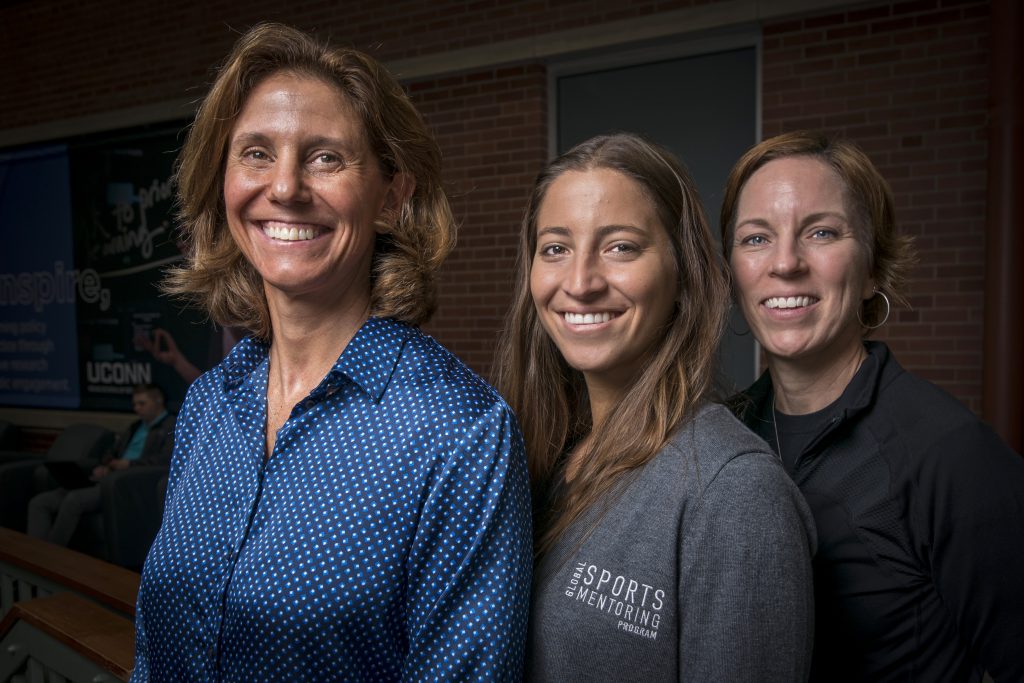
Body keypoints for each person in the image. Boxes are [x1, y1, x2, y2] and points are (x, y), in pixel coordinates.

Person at [131, 23, 532, 682]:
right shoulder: (208, 405)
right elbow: (153, 657)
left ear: (390, 198)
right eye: (256, 152)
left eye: (325, 157)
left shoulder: (462, 435)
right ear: (222, 180)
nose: (284, 187)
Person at [496, 133, 816, 681]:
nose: (580, 282)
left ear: (684, 273)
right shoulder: (539, 455)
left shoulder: (733, 492)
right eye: (555, 248)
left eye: (620, 246)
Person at [721, 130, 1024, 681]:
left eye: (821, 232)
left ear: (873, 269)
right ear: (735, 275)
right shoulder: (723, 435)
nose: (785, 264)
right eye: (756, 238)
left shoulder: (951, 455)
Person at [27, 383, 175, 547]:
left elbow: (165, 460)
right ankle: (35, 551)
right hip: (108, 475)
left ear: (158, 401)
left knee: (73, 499)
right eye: (134, 404)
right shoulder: (135, 426)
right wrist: (106, 464)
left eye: (142, 403)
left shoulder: (171, 426)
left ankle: (50, 553)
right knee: (40, 502)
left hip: (126, 482)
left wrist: (128, 465)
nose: (137, 408)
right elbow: (111, 451)